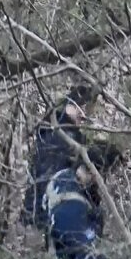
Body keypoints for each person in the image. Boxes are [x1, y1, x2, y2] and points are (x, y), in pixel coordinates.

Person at [43, 162, 128, 259]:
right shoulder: (75, 208)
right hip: (72, 237)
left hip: (56, 236)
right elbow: (86, 252)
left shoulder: (62, 176)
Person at [22, 84, 100, 229]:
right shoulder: (65, 137)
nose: (83, 116)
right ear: (70, 106)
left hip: (36, 211)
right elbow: (58, 174)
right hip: (52, 211)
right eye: (81, 108)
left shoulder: (47, 132)